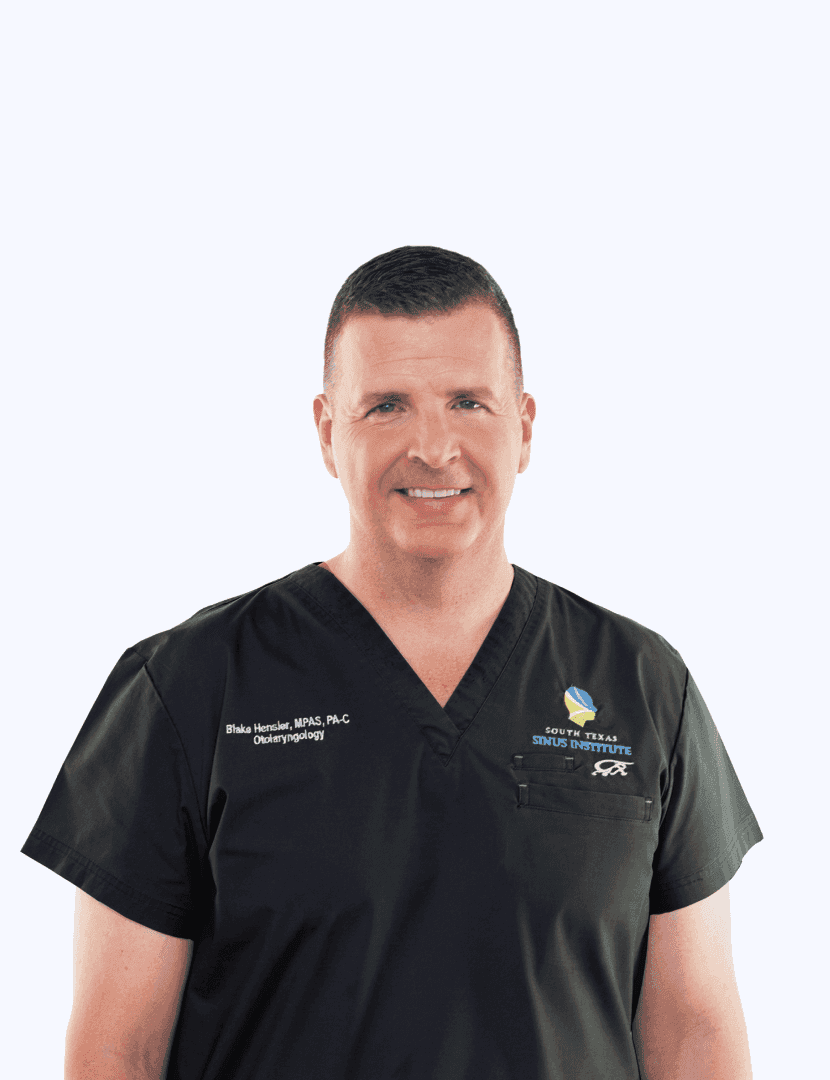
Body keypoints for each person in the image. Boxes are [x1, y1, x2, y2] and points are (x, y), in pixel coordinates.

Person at [22, 245, 762, 1080]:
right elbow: (115, 1048)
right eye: (386, 407)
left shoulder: (642, 686)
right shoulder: (189, 686)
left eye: (468, 402)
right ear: (326, 431)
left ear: (523, 427)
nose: (434, 447)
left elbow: (697, 1032)